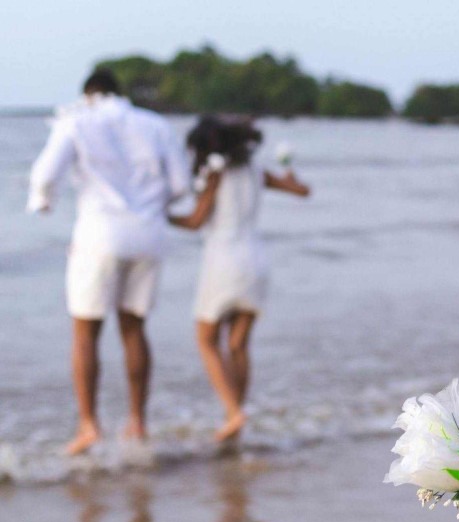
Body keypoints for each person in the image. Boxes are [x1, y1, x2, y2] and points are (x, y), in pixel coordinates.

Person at [28, 70, 190, 455]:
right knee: (134, 329)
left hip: (99, 234)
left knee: (86, 332)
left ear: (88, 95)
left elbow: (45, 173)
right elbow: (182, 185)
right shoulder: (154, 124)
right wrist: (150, 206)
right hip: (149, 235)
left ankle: (89, 425)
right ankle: (137, 422)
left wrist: (42, 202)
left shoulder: (77, 121)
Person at [168, 116, 310, 442]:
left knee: (206, 339)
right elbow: (302, 191)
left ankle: (234, 412)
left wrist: (157, 214)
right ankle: (235, 416)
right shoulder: (256, 172)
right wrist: (291, 176)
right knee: (238, 345)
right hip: (256, 261)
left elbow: (194, 220)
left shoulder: (215, 175)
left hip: (223, 262)